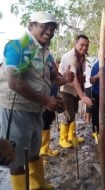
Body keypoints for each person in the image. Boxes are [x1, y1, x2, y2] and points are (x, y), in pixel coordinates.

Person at [0, 11, 63, 189]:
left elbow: (51, 76)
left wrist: (63, 79)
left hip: (36, 109)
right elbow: (15, 82)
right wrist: (46, 100)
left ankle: (37, 184)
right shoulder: (18, 46)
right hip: (17, 110)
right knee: (17, 158)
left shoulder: (44, 51)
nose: (49, 31)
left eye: (52, 28)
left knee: (34, 150)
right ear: (31, 25)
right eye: (44, 26)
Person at [58, 34, 92, 148]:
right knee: (68, 114)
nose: (84, 48)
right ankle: (62, 139)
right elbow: (73, 79)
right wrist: (83, 96)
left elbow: (81, 75)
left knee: (74, 113)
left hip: (75, 91)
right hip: (66, 90)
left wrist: (81, 93)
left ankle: (71, 136)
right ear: (75, 44)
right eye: (82, 45)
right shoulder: (69, 57)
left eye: (86, 46)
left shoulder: (82, 57)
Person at [40, 55, 74, 157]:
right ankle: (38, 152)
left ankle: (44, 149)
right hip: (39, 99)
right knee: (39, 123)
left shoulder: (49, 56)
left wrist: (65, 78)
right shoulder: (29, 53)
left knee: (47, 121)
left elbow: (56, 77)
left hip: (51, 97)